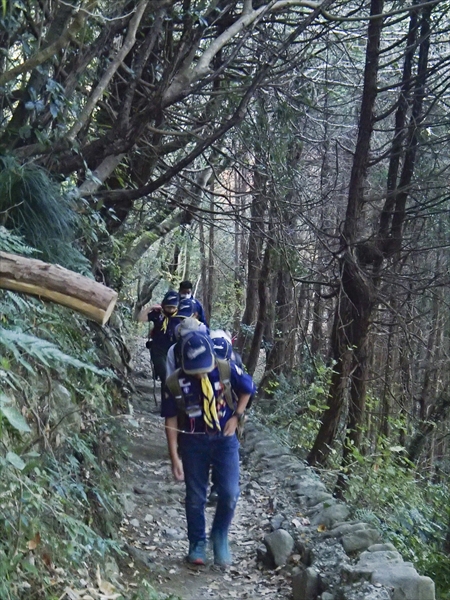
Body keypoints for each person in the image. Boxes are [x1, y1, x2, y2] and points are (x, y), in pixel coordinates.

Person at [162, 331, 255, 566]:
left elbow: (248, 388)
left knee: (229, 492)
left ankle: (220, 534)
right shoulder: (174, 382)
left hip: (224, 439)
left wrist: (237, 416)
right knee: (195, 496)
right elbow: (171, 420)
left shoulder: (226, 369)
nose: (201, 373)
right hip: (193, 441)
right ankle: (197, 543)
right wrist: (174, 457)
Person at [145, 290, 180, 397]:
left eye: (173, 307)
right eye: (168, 307)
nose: (171, 310)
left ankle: (168, 404)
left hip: (173, 353)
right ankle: (166, 405)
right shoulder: (157, 314)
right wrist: (150, 308)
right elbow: (139, 318)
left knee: (173, 378)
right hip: (158, 351)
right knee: (165, 377)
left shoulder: (180, 318)